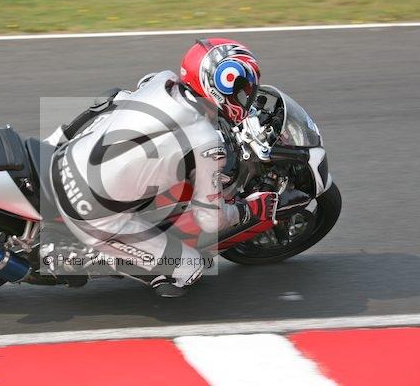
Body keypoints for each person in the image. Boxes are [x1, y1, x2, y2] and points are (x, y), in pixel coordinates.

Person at [44, 38, 278, 297]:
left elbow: (117, 99)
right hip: (91, 211)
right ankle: (78, 258)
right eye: (242, 91)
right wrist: (249, 210)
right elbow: (211, 220)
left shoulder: (162, 80)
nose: (246, 98)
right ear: (221, 86)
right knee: (190, 267)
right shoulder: (207, 142)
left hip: (66, 160)